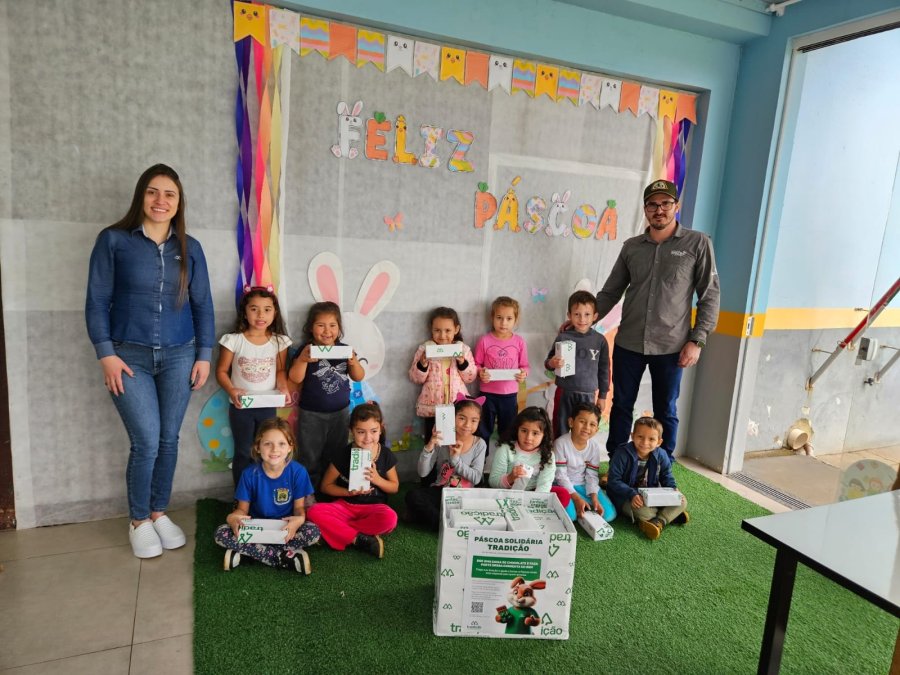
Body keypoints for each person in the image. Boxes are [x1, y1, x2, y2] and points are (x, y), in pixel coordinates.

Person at [85, 164, 214, 559]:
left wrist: (204, 355)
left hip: (180, 355)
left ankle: (159, 512)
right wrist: (106, 354)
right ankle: (139, 520)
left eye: (169, 194)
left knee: (168, 438)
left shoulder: (190, 248)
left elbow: (203, 304)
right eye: (153, 192)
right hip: (128, 358)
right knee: (146, 440)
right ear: (141, 196)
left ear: (179, 202)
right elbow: (97, 300)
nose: (161, 201)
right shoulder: (113, 241)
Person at [596, 179, 719, 460]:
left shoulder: (697, 243)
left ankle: (662, 467)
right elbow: (610, 291)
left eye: (665, 203)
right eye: (652, 205)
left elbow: (710, 295)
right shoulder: (632, 247)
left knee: (666, 409)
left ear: (676, 206)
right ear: (645, 209)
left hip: (672, 346)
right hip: (629, 343)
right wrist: (583, 320)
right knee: (621, 405)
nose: (659, 210)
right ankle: (617, 463)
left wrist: (697, 340)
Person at [214, 418, 320, 573]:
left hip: (284, 528)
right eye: (267, 444)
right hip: (257, 527)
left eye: (281, 443)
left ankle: (248, 554)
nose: (274, 449)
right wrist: (233, 518)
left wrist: (299, 520)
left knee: (313, 532)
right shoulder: (249, 474)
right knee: (221, 533)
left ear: (290, 447)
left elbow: (298, 509)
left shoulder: (298, 472)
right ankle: (285, 557)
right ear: (258, 447)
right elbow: (242, 510)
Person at [216, 286, 291, 486]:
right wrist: (232, 390)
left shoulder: (279, 341)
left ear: (275, 313)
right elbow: (221, 371)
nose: (260, 315)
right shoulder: (233, 340)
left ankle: (264, 490)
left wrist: (283, 388)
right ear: (244, 312)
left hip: (267, 406)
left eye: (267, 309)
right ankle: (241, 494)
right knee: (243, 451)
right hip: (241, 407)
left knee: (267, 451)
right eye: (254, 309)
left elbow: (280, 371)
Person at [307, 402, 399, 558]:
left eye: (373, 431)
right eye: (361, 432)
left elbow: (394, 487)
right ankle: (358, 538)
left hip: (373, 508)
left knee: (390, 518)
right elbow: (326, 486)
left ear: (381, 429)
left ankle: (338, 531)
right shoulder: (343, 454)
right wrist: (348, 492)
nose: (368, 438)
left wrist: (377, 479)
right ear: (351, 431)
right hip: (345, 507)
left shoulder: (385, 454)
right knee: (313, 512)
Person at [289, 301, 365, 488]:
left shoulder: (345, 349)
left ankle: (332, 488)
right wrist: (302, 360)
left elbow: (358, 376)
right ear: (310, 327)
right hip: (311, 414)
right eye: (320, 325)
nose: (327, 331)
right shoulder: (306, 350)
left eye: (332, 325)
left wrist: (354, 362)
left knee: (336, 454)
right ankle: (308, 491)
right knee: (309, 454)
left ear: (339, 328)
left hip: (340, 413)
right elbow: (295, 378)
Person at [405, 396, 486, 530]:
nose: (467, 425)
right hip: (441, 492)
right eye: (462, 418)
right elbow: (423, 472)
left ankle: (430, 518)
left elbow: (476, 478)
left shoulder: (479, 444)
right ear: (452, 417)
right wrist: (430, 446)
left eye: (474, 420)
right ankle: (446, 525)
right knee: (413, 496)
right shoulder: (443, 439)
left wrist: (455, 460)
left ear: (479, 422)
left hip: (464, 495)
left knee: (481, 504)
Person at [606, 416, 688, 540]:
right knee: (643, 512)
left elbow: (666, 476)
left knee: (682, 501)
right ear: (632, 436)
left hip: (651, 495)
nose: (645, 442)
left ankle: (659, 520)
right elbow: (613, 481)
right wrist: (631, 494)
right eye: (640, 437)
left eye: (651, 439)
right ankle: (668, 516)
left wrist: (673, 489)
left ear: (659, 442)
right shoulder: (621, 454)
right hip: (626, 496)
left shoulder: (662, 454)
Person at [544, 290, 610, 438]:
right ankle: (559, 452)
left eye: (587, 314)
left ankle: (579, 452)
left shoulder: (600, 341)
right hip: (564, 391)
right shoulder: (563, 337)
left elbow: (604, 370)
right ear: (569, 315)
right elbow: (548, 363)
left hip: (588, 394)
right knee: (560, 426)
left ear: (595, 316)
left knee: (583, 430)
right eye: (577, 314)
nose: (582, 319)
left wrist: (602, 396)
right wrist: (552, 363)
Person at [408, 307, 477, 442]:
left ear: (456, 329)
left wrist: (462, 362)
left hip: (457, 408)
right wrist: (422, 364)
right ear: (431, 329)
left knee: (456, 443)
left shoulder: (462, 349)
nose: (442, 335)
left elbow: (471, 377)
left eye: (447, 330)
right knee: (433, 442)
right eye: (437, 330)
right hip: (433, 408)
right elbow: (415, 378)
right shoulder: (425, 349)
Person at [488, 407, 570, 510]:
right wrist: (510, 477)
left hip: (533, 494)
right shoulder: (505, 449)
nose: (528, 438)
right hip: (508, 494)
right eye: (524, 431)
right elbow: (493, 481)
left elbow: (544, 486)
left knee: (563, 494)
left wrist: (533, 505)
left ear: (544, 435)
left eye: (535, 433)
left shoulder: (548, 455)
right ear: (517, 429)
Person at [474, 296, 528, 449]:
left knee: (508, 431)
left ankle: (505, 461)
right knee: (483, 430)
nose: (504, 323)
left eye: (509, 318)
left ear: (515, 320)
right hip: (487, 394)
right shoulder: (484, 340)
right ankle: (480, 460)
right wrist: (480, 372)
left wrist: (523, 374)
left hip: (509, 396)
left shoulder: (519, 342)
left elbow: (525, 366)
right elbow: (476, 364)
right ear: (492, 317)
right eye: (499, 318)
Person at [553, 402, 617, 521]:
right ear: (571, 422)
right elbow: (560, 476)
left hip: (583, 484)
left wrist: (594, 497)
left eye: (592, 424)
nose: (587, 427)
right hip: (562, 485)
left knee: (609, 515)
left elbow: (592, 475)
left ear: (596, 429)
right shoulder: (560, 444)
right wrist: (576, 498)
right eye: (582, 421)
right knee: (570, 516)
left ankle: (583, 505)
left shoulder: (594, 447)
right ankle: (576, 505)